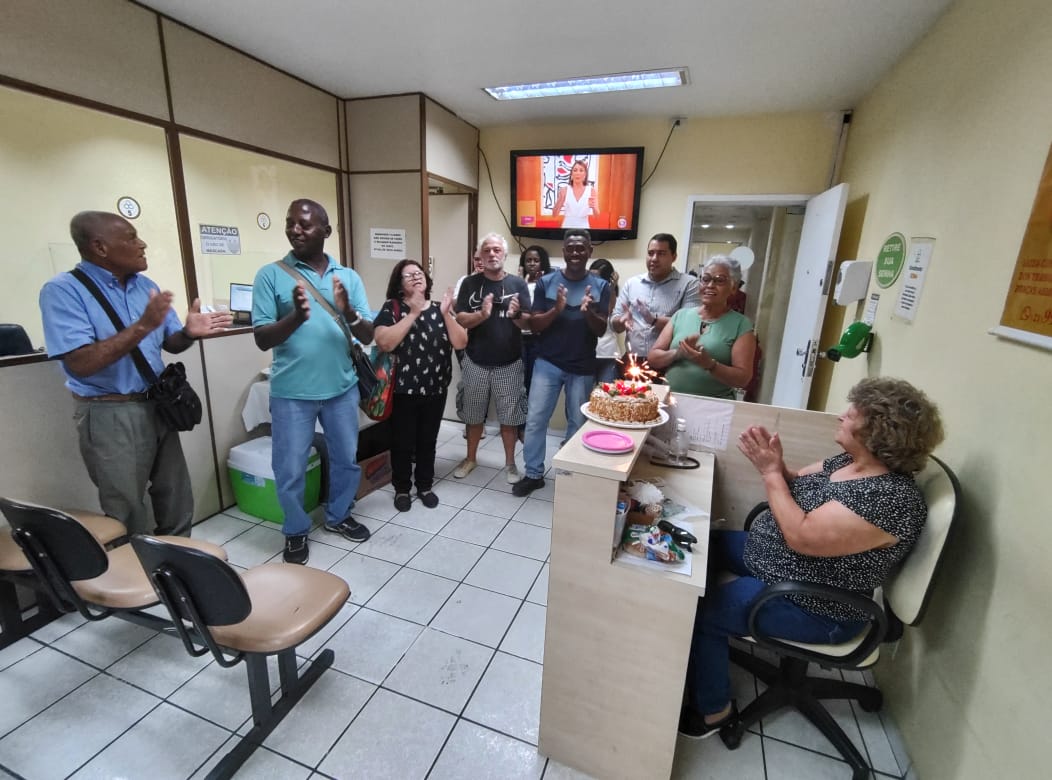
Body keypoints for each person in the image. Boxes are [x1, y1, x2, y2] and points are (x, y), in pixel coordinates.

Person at [680, 377, 944, 738]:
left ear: (878, 432)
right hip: (777, 563)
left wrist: (769, 473)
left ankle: (715, 711)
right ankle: (685, 652)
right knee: (700, 545)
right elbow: (795, 481)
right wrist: (777, 465)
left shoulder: (890, 500)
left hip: (815, 604)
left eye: (853, 413)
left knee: (705, 613)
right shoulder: (850, 462)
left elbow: (802, 536)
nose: (842, 415)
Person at [39, 211, 232, 537]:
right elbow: (80, 362)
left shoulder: (146, 287)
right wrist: (142, 326)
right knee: (125, 507)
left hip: (157, 406)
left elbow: (171, 343)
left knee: (176, 496)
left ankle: (180, 560)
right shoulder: (63, 291)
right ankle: (134, 567)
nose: (142, 244)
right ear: (100, 247)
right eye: (131, 237)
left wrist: (189, 332)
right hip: (110, 412)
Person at [251, 199, 374, 565]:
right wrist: (296, 317)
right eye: (290, 223)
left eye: (304, 224)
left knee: (346, 460)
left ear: (326, 231)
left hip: (342, 389)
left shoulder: (347, 276)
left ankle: (338, 515)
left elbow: (367, 334)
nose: (295, 230)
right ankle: (295, 530)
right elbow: (262, 338)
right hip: (292, 393)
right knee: (289, 469)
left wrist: (348, 311)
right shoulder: (270, 275)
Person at [513, 229, 611, 497]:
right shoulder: (547, 282)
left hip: (582, 366)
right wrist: (557, 309)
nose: (576, 252)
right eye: (571, 248)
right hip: (548, 363)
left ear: (590, 251)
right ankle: (533, 474)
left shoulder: (602, 286)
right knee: (535, 420)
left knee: (577, 423)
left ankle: (571, 475)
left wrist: (589, 312)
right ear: (564, 251)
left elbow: (601, 329)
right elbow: (534, 325)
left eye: (581, 248)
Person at [373, 259, 466, 512]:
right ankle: (402, 488)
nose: (416, 276)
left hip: (435, 389)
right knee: (402, 443)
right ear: (399, 285)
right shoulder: (392, 308)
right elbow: (384, 342)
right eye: (408, 275)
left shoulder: (439, 308)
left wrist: (446, 314)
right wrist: (413, 313)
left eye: (418, 272)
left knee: (428, 441)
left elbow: (461, 342)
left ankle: (425, 486)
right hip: (403, 391)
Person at [453, 233, 531, 484]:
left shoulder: (518, 284)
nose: (492, 254)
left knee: (510, 419)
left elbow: (528, 323)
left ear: (505, 254)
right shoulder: (469, 283)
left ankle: (510, 464)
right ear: (480, 255)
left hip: (509, 363)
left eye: (497, 250)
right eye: (486, 250)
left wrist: (516, 315)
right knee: (473, 416)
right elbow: (461, 318)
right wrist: (482, 315)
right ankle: (470, 459)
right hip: (475, 361)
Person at [647, 256, 756, 399]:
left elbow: (742, 379)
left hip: (715, 405)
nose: (710, 285)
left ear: (733, 288)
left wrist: (710, 365)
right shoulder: (681, 315)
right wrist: (678, 353)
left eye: (719, 280)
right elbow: (653, 358)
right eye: (706, 279)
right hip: (671, 400)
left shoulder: (741, 324)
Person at [611, 233, 700, 360]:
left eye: (661, 253)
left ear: (674, 257)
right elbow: (615, 325)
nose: (654, 259)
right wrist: (620, 320)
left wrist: (654, 320)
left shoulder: (689, 284)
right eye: (650, 253)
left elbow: (689, 325)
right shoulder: (632, 283)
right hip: (633, 361)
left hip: (669, 362)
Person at [518, 245, 551, 403]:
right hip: (519, 338)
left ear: (542, 263)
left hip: (539, 339)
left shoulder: (547, 285)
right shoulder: (518, 283)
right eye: (528, 260)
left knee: (535, 382)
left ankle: (531, 417)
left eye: (536, 260)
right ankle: (520, 417)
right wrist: (520, 284)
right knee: (519, 381)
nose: (531, 264)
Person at [588, 258, 621, 383]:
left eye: (598, 278)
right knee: (586, 394)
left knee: (608, 393)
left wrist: (611, 289)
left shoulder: (615, 297)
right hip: (587, 355)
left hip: (608, 355)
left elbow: (608, 310)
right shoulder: (585, 294)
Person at [552, 160, 599, 229]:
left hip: (584, 228)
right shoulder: (564, 190)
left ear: (585, 175)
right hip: (567, 227)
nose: (578, 173)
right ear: (571, 174)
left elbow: (597, 217)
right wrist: (560, 199)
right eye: (575, 170)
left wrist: (594, 207)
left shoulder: (591, 190)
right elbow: (554, 215)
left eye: (581, 170)